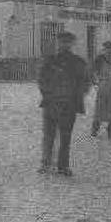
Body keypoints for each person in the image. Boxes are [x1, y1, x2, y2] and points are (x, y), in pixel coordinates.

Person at [37, 31, 90, 176]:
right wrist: (48, 94)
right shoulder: (50, 61)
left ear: (71, 44)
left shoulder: (78, 62)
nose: (64, 45)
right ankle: (45, 164)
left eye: (67, 42)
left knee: (66, 137)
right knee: (49, 136)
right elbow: (42, 80)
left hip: (69, 105)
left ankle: (63, 166)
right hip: (51, 103)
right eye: (62, 42)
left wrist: (77, 96)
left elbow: (85, 82)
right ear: (57, 43)